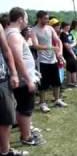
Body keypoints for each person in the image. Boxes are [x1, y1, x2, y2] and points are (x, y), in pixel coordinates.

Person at [6, 7, 43, 146]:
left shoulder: (11, 33)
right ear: (20, 19)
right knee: (25, 108)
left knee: (22, 107)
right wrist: (28, 79)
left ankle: (26, 133)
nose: (27, 21)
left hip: (23, 78)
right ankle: (26, 137)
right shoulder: (14, 35)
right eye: (26, 18)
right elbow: (17, 58)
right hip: (23, 80)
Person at [0, 22, 28, 155]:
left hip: (2, 80)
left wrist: (14, 73)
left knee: (7, 118)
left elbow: (6, 50)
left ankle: (5, 151)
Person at [31, 10, 67, 113]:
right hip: (42, 61)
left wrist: (59, 52)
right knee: (43, 84)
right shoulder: (34, 30)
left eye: (48, 18)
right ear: (39, 19)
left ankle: (57, 100)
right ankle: (42, 103)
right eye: (45, 18)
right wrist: (50, 47)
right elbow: (36, 46)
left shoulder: (50, 28)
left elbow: (58, 40)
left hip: (53, 60)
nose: (47, 20)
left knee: (57, 81)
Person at [60, 22, 77, 88]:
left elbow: (73, 41)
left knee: (71, 67)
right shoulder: (63, 35)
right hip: (67, 53)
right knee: (72, 66)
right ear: (64, 27)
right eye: (67, 26)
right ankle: (74, 82)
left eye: (69, 26)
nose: (69, 27)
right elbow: (67, 46)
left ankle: (70, 82)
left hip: (72, 51)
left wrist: (73, 44)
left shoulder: (69, 34)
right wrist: (73, 54)